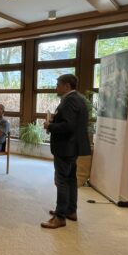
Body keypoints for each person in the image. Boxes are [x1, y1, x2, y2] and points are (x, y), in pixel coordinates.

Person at [41, 74, 91, 229]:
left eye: (58, 85)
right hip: (71, 147)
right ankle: (70, 211)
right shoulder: (78, 99)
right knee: (70, 179)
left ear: (67, 86)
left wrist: (50, 126)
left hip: (66, 147)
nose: (56, 88)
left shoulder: (70, 100)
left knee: (61, 180)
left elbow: (68, 126)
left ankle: (60, 217)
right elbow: (71, 123)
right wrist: (55, 120)